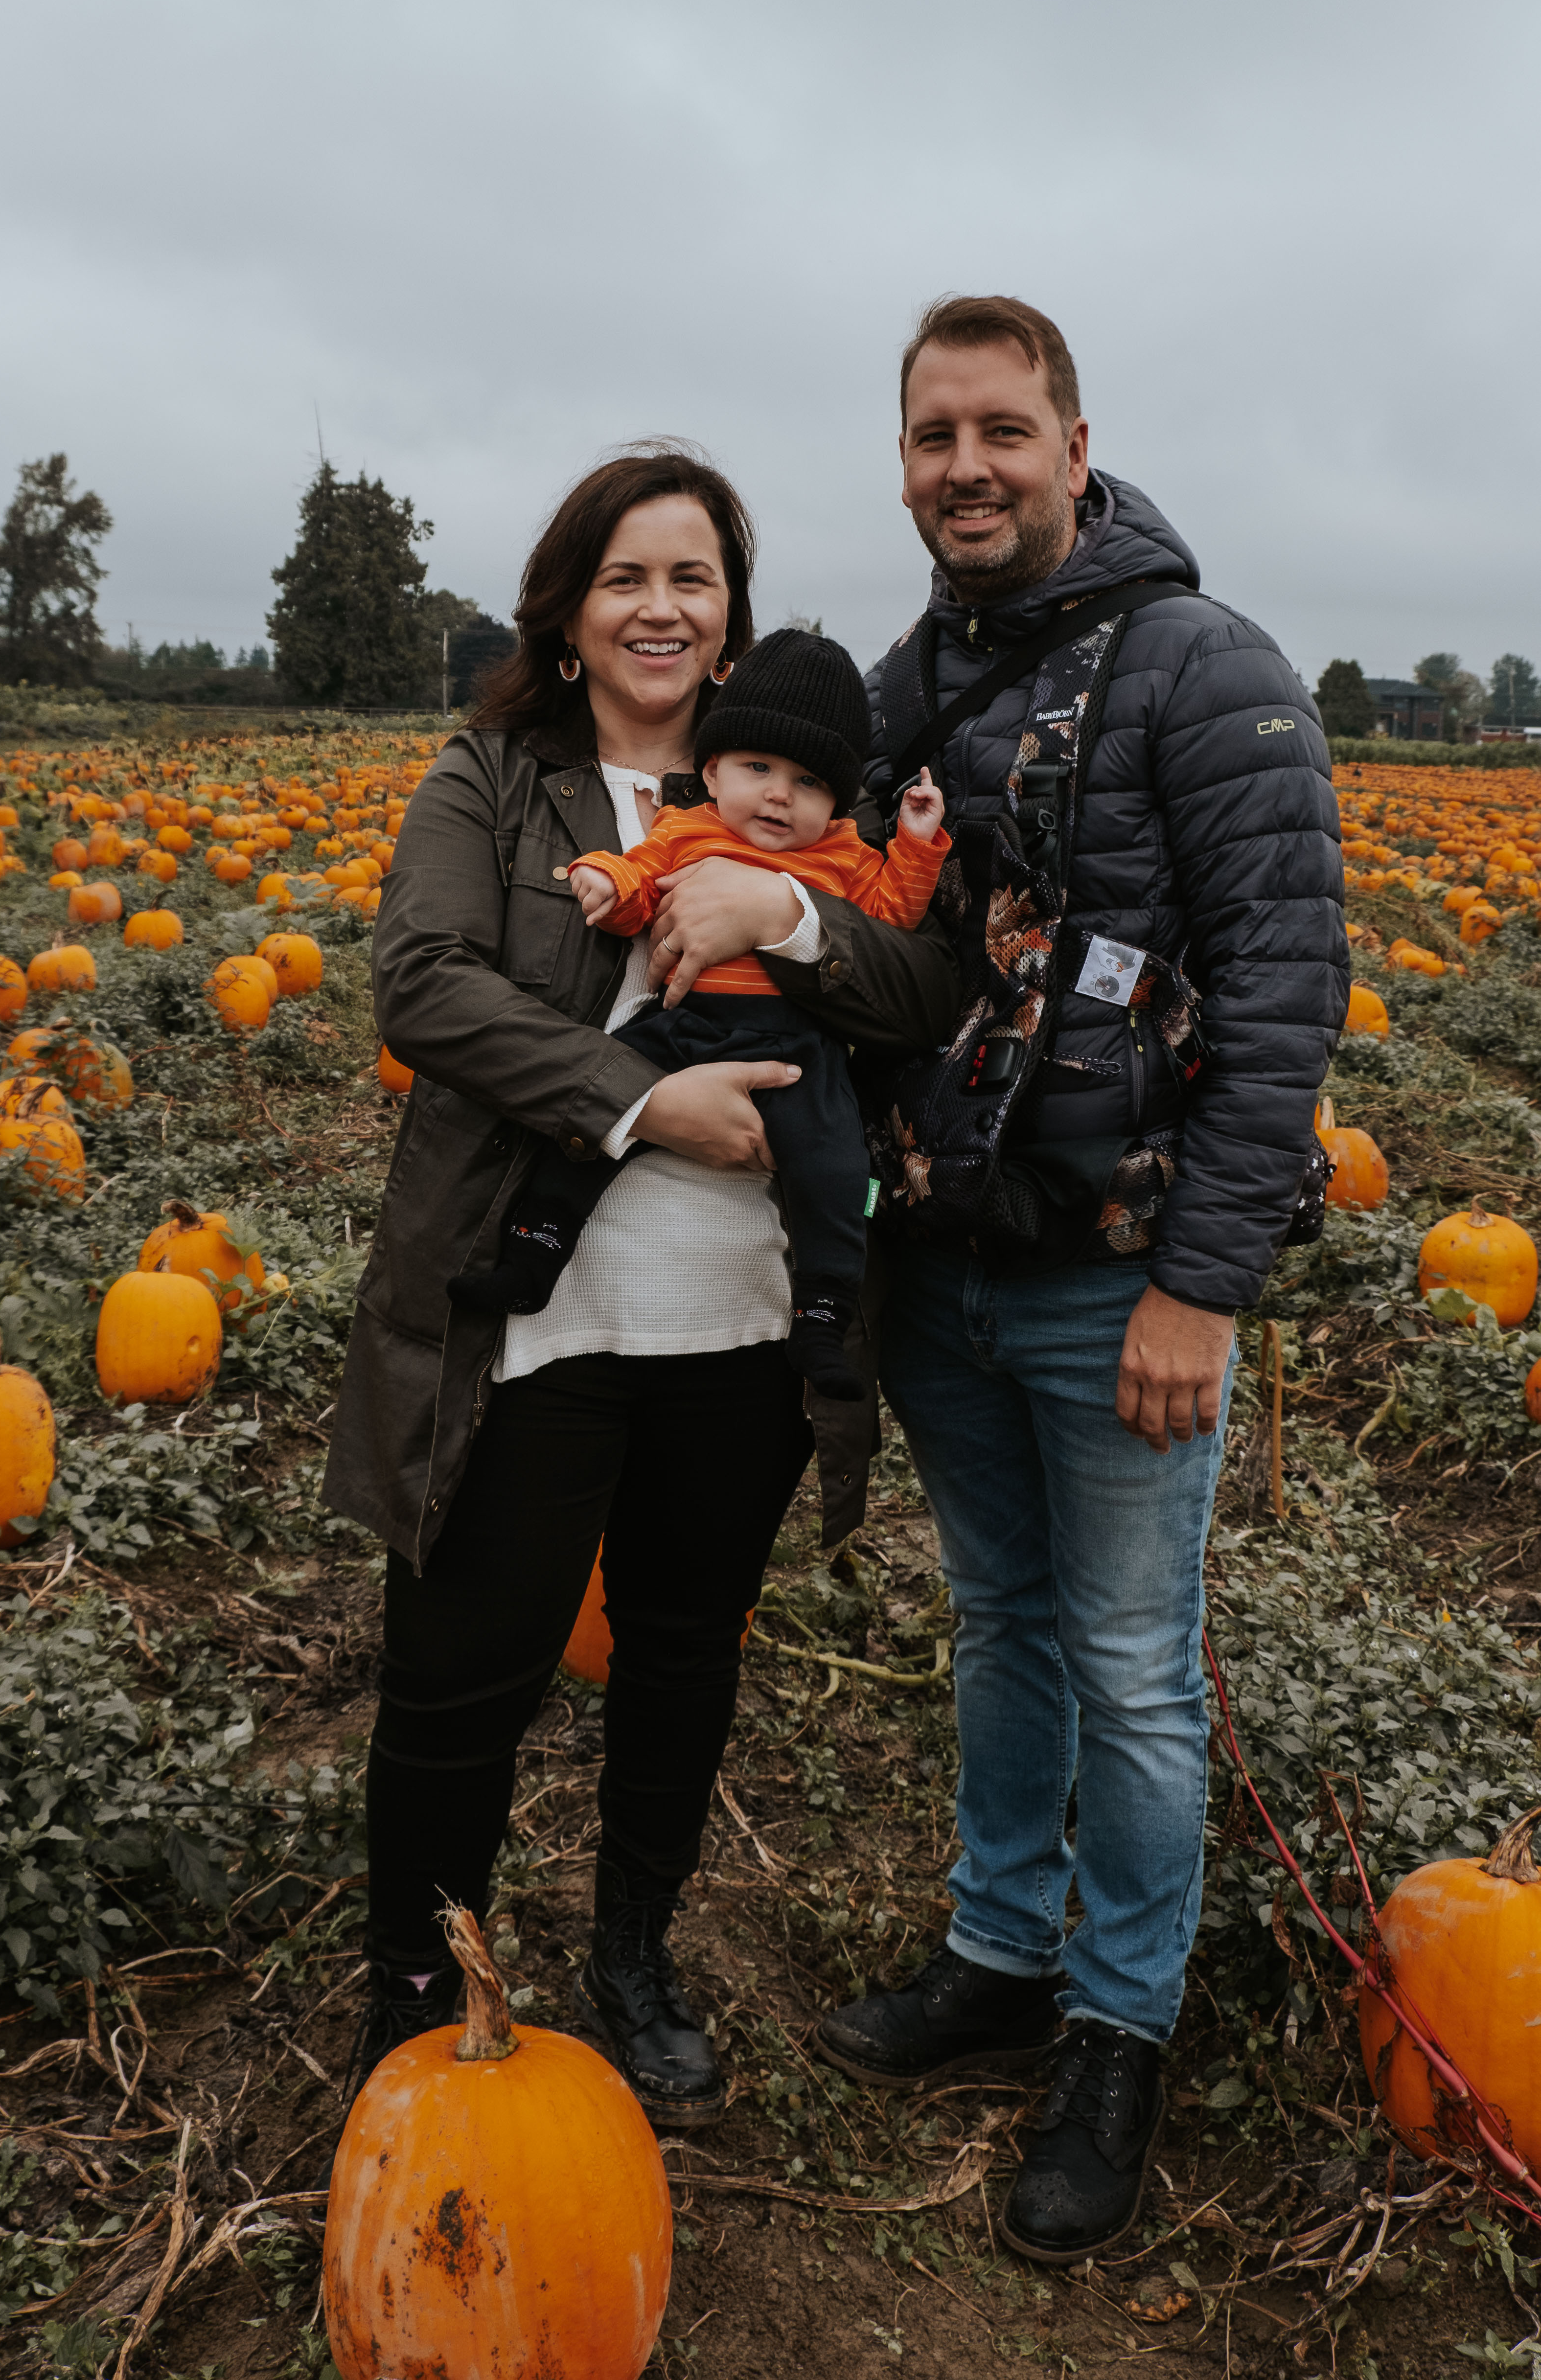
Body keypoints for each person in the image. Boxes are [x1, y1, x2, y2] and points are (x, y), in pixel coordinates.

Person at [322, 443, 960, 2131]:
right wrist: (636, 1097)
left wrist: (788, 917)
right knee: (469, 1669)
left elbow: (923, 980)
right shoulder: (496, 776)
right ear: (574, 610)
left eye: (693, 576)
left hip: (747, 1327)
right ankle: (415, 1984)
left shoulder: (805, 792)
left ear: (730, 613)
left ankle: (634, 1956)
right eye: (628, 576)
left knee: (682, 1650)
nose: (662, 606)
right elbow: (424, 984)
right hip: (534, 1321)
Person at [814, 295, 1347, 2264]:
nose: (964, 464)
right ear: (901, 463)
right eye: (931, 433)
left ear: (1072, 441)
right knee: (1002, 1620)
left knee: (1130, 1668)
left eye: (999, 430)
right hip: (947, 1260)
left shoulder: (1205, 668)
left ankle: (1117, 2023)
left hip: (1119, 1278)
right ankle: (994, 1947)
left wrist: (1201, 1285)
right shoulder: (905, 684)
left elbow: (1287, 992)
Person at [457, 624, 950, 1396]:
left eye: (810, 782)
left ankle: (823, 1313)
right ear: (714, 770)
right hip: (686, 1025)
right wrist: (602, 882)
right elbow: (637, 884)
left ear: (840, 799)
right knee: (592, 1123)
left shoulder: (848, 855)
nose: (781, 795)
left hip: (798, 1050)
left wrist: (918, 844)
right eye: (759, 768)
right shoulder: (687, 830)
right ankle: (534, 1252)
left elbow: (889, 921)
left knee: (834, 1170)